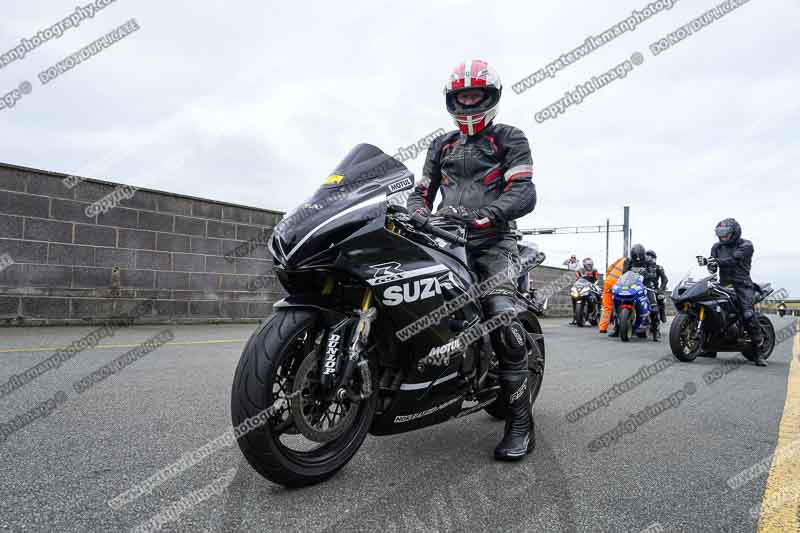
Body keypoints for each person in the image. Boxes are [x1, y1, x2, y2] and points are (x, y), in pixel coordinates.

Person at [406, 59, 537, 460]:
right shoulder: (441, 145)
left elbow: (524, 191)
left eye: (474, 95)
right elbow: (421, 192)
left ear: (490, 97)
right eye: (461, 96)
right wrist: (416, 214)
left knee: (500, 313)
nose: (467, 103)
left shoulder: (509, 137)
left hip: (493, 242)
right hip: (445, 239)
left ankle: (520, 423)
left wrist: (490, 215)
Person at [709, 218, 766, 366]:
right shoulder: (717, 247)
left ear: (734, 232)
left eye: (726, 234)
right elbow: (713, 267)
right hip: (724, 284)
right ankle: (709, 347)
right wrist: (710, 265)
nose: (723, 237)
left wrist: (716, 262)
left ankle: (758, 351)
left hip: (742, 285)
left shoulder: (746, 245)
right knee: (711, 307)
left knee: (747, 313)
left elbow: (733, 260)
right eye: (720, 234)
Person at [609, 244, 648, 337]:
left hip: (645, 283)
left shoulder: (648, 261)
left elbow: (652, 273)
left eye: (640, 257)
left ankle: (655, 330)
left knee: (653, 305)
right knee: (616, 300)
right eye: (635, 257)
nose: (638, 259)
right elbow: (624, 274)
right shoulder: (628, 261)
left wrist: (648, 276)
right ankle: (617, 328)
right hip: (631, 284)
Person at [644, 250, 669, 340]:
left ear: (653, 258)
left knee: (655, 307)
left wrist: (660, 290)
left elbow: (665, 280)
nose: (647, 257)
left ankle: (656, 330)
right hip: (640, 288)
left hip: (653, 289)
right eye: (646, 255)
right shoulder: (642, 267)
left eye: (649, 255)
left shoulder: (658, 267)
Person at [570, 258, 600, 324]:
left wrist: (594, 284)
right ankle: (575, 317)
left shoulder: (595, 270)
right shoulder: (579, 270)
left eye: (590, 265)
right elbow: (577, 279)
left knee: (598, 295)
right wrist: (575, 285)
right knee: (573, 297)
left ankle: (597, 313)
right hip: (582, 287)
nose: (589, 266)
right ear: (584, 265)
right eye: (587, 265)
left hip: (591, 286)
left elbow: (597, 279)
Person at [599, 257, 625, 333]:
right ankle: (618, 326)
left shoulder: (620, 259)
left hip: (608, 282)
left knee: (607, 307)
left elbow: (609, 268)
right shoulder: (632, 263)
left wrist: (607, 279)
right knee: (619, 305)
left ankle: (602, 328)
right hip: (618, 284)